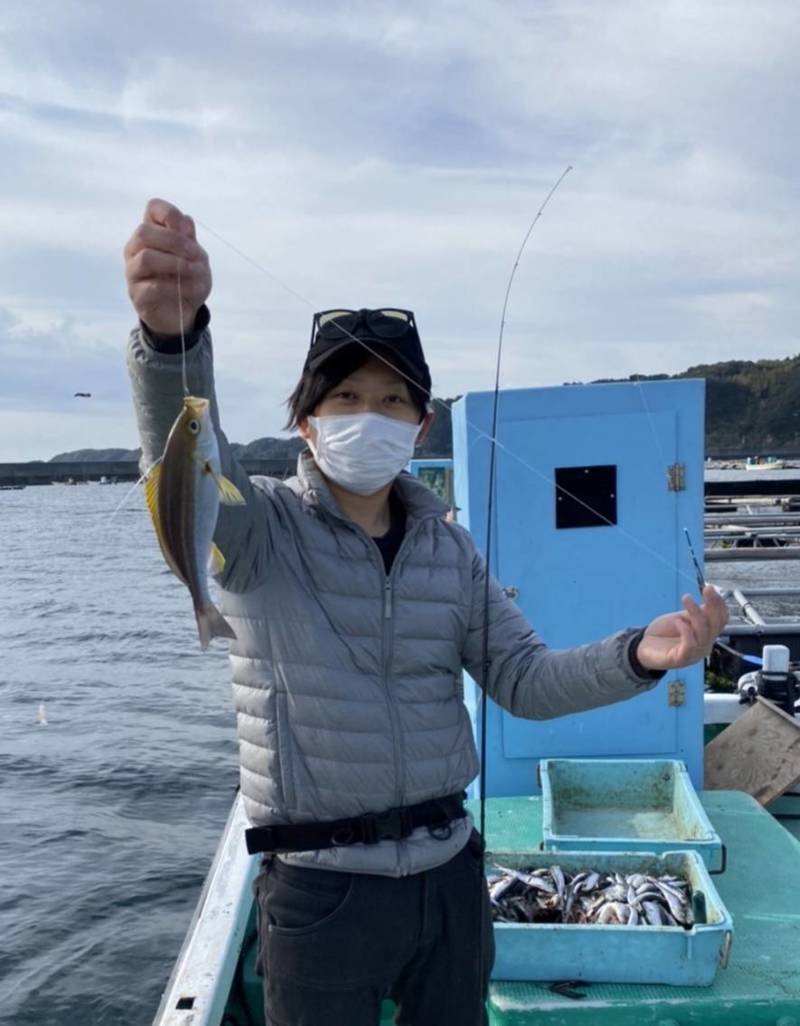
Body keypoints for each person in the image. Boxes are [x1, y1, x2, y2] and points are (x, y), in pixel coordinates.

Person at [124, 198, 728, 1026]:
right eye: (344, 397)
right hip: (320, 893)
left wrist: (637, 656)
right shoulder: (257, 528)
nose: (367, 416)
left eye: (391, 400)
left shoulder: (451, 549)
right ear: (305, 421)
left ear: (421, 424)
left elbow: (525, 680)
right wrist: (171, 340)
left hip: (449, 882)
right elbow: (181, 451)